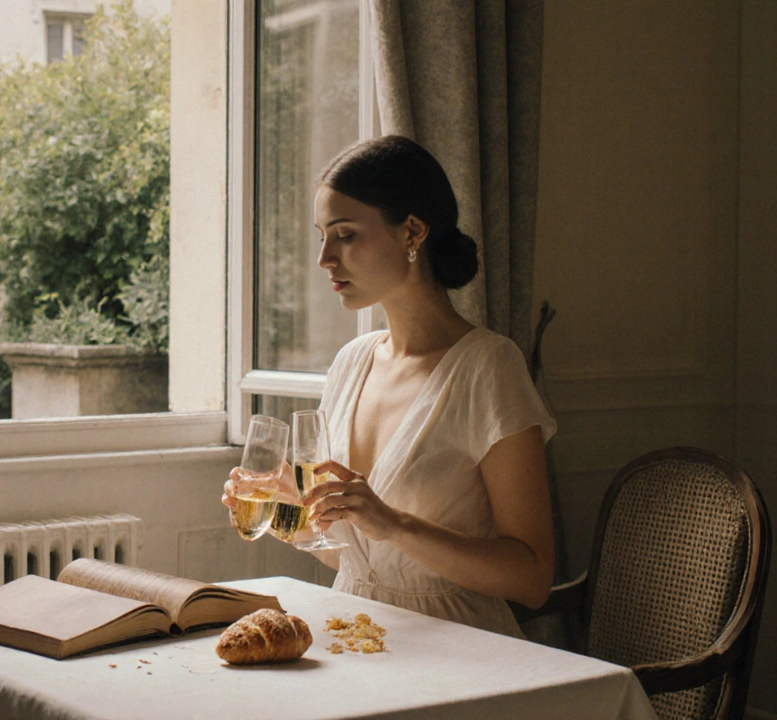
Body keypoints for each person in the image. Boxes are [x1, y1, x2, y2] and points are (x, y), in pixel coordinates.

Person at [223, 135, 556, 637]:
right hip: (354, 634)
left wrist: (395, 524)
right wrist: (287, 508)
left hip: (462, 650)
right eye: (322, 236)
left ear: (412, 232)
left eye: (345, 234)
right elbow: (356, 559)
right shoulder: (352, 363)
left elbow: (532, 579)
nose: (325, 259)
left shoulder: (489, 367)